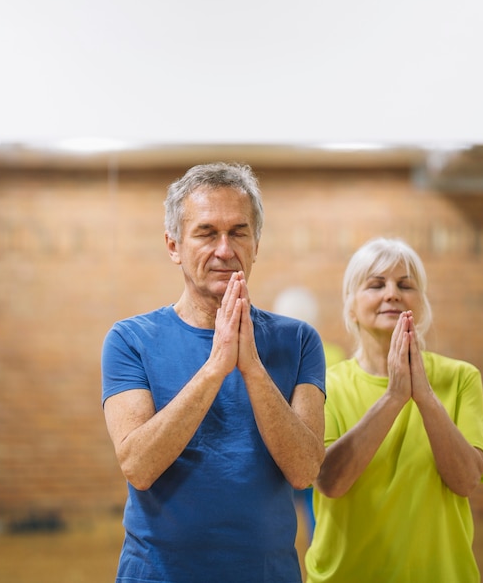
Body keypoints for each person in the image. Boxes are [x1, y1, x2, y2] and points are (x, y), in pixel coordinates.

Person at [101, 162, 326, 583]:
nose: (225, 249)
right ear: (174, 246)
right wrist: (217, 365)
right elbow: (138, 464)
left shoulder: (298, 341)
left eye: (238, 232)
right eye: (206, 233)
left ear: (256, 243)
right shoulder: (130, 339)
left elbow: (304, 470)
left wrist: (252, 369)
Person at [304, 237, 483, 583]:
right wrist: (395, 396)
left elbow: (466, 480)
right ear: (351, 307)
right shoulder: (324, 384)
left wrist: (423, 396)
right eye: (375, 285)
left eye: (405, 285)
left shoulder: (460, 378)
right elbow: (330, 482)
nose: (391, 293)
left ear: (421, 305)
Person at [272, 286, 346, 540]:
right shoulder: (333, 354)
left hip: (301, 453)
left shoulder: (273, 357)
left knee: (284, 528)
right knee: (317, 526)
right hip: (318, 448)